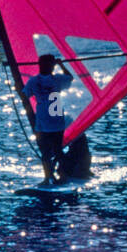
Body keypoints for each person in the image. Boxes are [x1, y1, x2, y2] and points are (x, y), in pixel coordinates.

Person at [21, 54, 75, 184]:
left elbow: (24, 95)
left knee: (51, 151)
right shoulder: (52, 80)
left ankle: (54, 177)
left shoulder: (38, 80)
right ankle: (53, 177)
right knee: (53, 151)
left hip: (50, 119)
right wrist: (60, 64)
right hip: (49, 118)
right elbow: (70, 77)